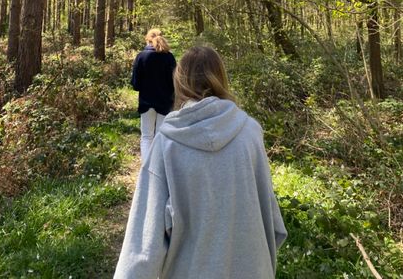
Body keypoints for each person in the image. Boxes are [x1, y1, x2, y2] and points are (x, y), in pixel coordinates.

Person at [115, 45, 287, 279]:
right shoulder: (250, 133)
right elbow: (274, 225)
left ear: (180, 81)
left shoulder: (167, 143)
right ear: (221, 78)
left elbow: (143, 245)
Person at [131, 28, 176, 161]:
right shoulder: (169, 57)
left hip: (146, 102)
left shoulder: (141, 56)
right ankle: (159, 167)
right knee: (160, 135)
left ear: (147, 39)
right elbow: (175, 81)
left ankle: (147, 168)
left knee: (146, 136)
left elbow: (135, 84)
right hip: (165, 102)